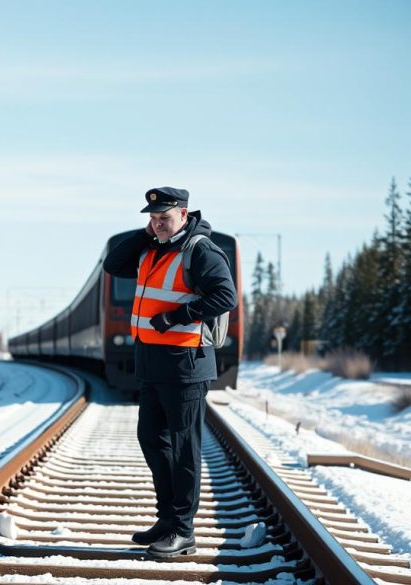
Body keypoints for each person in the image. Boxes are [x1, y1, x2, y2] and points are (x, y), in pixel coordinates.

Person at [102, 187, 237, 558]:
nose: (157, 222)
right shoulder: (153, 248)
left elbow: (226, 296)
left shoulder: (200, 250)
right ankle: (166, 520)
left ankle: (183, 530)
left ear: (184, 213)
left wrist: (177, 316)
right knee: (152, 438)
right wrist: (148, 234)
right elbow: (113, 265)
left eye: (164, 217)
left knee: (183, 448)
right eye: (152, 217)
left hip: (185, 363)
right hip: (152, 363)